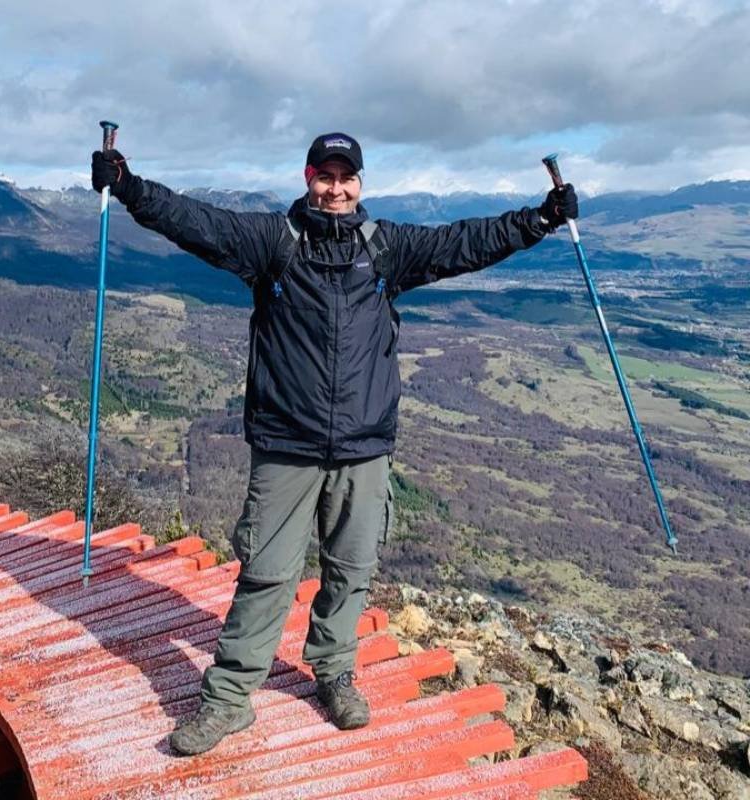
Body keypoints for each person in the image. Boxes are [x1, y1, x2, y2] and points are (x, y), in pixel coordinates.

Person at [91, 132, 578, 755]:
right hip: (286, 445)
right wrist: (128, 186)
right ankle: (228, 700)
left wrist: (539, 219)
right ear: (308, 178)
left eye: (347, 179)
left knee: (350, 572)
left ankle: (333, 674)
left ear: (360, 184)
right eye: (326, 176)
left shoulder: (387, 250)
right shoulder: (274, 244)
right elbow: (196, 223)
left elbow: (465, 243)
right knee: (267, 574)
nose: (337, 189)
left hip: (364, 449)